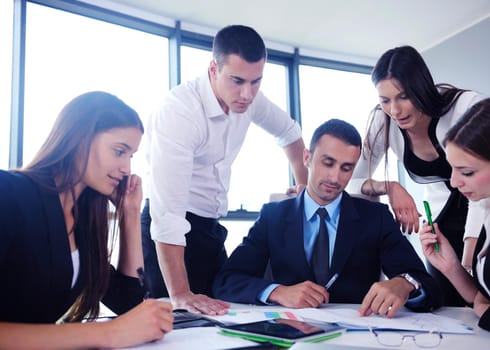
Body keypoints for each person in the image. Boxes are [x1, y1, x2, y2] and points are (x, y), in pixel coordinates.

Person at [141, 24, 308, 315]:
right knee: (178, 322)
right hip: (169, 235)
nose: (247, 93)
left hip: (210, 229)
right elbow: (168, 216)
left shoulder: (249, 99)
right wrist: (180, 294)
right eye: (238, 80)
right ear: (214, 69)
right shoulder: (180, 111)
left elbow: (289, 133)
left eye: (256, 81)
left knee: (225, 315)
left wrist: (304, 185)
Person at [213, 119, 441, 317]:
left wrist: (404, 283)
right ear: (307, 158)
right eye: (328, 163)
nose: (335, 177)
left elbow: (426, 283)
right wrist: (278, 291)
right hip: (292, 334)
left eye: (346, 168)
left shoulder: (375, 217)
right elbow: (227, 280)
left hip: (357, 336)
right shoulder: (273, 217)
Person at [0, 92, 173, 349]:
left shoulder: (82, 221)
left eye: (130, 156)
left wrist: (130, 214)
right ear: (80, 139)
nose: (126, 168)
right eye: (119, 151)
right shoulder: (9, 192)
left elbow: (128, 303)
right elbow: (118, 327)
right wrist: (107, 333)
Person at [347, 45, 484, 306]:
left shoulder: (465, 107)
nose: (395, 110)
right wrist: (389, 186)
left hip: (487, 211)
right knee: (446, 307)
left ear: (421, 88)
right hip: (440, 222)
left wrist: (469, 250)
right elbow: (350, 181)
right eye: (385, 100)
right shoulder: (383, 120)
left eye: (403, 97)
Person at [419, 98, 490, 348]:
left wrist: (485, 312)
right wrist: (451, 268)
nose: (454, 183)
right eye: (452, 169)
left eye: (466, 172)